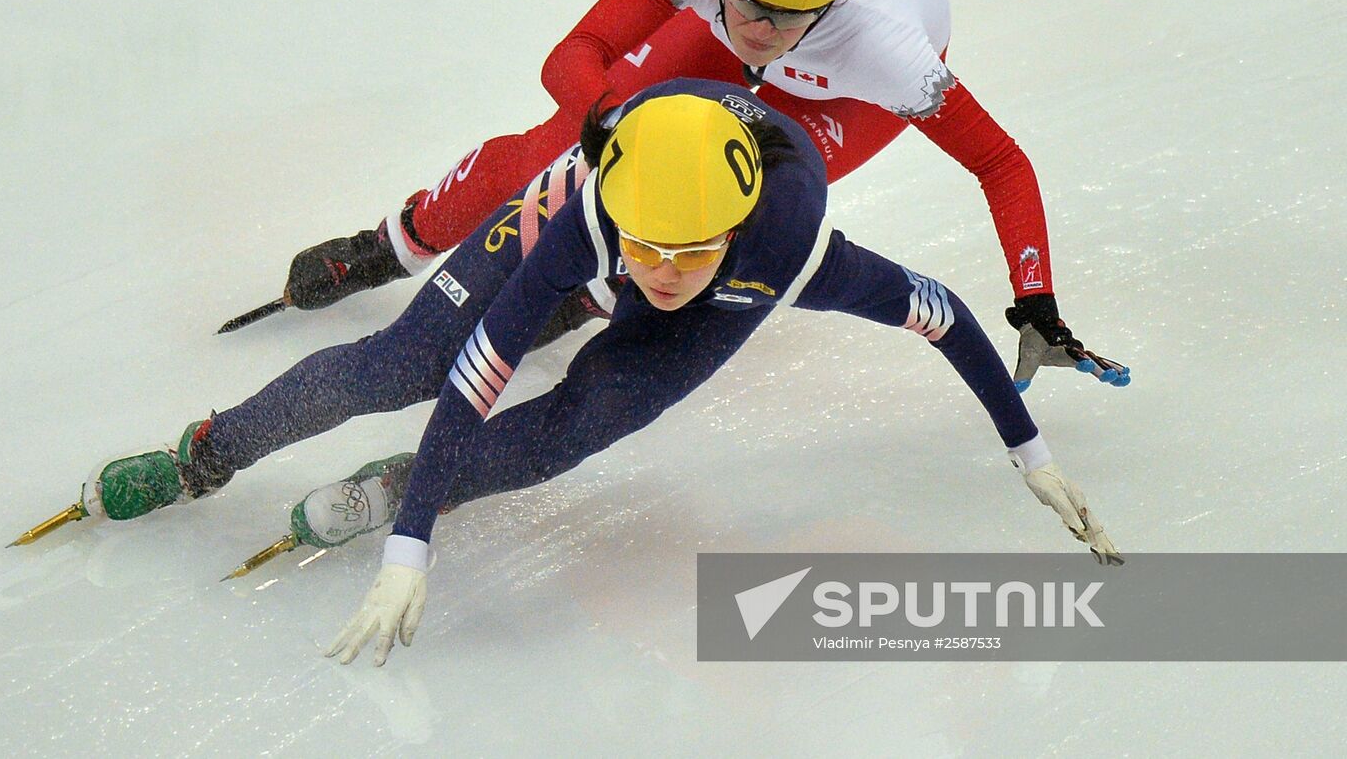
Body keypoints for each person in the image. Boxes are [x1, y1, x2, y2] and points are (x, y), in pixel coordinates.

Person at [67, 78, 1120, 668]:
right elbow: (469, 376)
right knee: (396, 363)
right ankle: (206, 452)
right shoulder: (584, 224)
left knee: (578, 419)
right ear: (616, 223)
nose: (663, 276)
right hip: (571, 225)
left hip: (696, 250)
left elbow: (939, 315)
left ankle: (418, 474)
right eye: (647, 251)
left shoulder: (788, 244)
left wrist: (1025, 451)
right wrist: (409, 548)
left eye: (690, 253)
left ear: (736, 234)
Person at [267, 0, 1127, 392]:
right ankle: (393, 241)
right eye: (745, 4)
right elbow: (577, 53)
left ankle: (597, 293)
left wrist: (1035, 298)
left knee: (710, 210)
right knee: (551, 151)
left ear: (832, 2)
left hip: (837, 99)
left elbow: (1001, 163)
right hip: (757, 43)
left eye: (791, 18)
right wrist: (603, 119)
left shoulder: (889, 53)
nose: (760, 32)